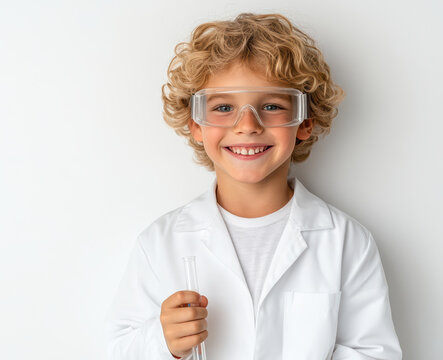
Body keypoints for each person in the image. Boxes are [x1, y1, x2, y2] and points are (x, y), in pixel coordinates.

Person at [104, 12, 402, 360]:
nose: (247, 125)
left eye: (272, 106)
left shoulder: (346, 243)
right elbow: (119, 349)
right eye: (224, 107)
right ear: (196, 126)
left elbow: (373, 352)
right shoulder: (159, 244)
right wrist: (163, 343)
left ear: (304, 122)